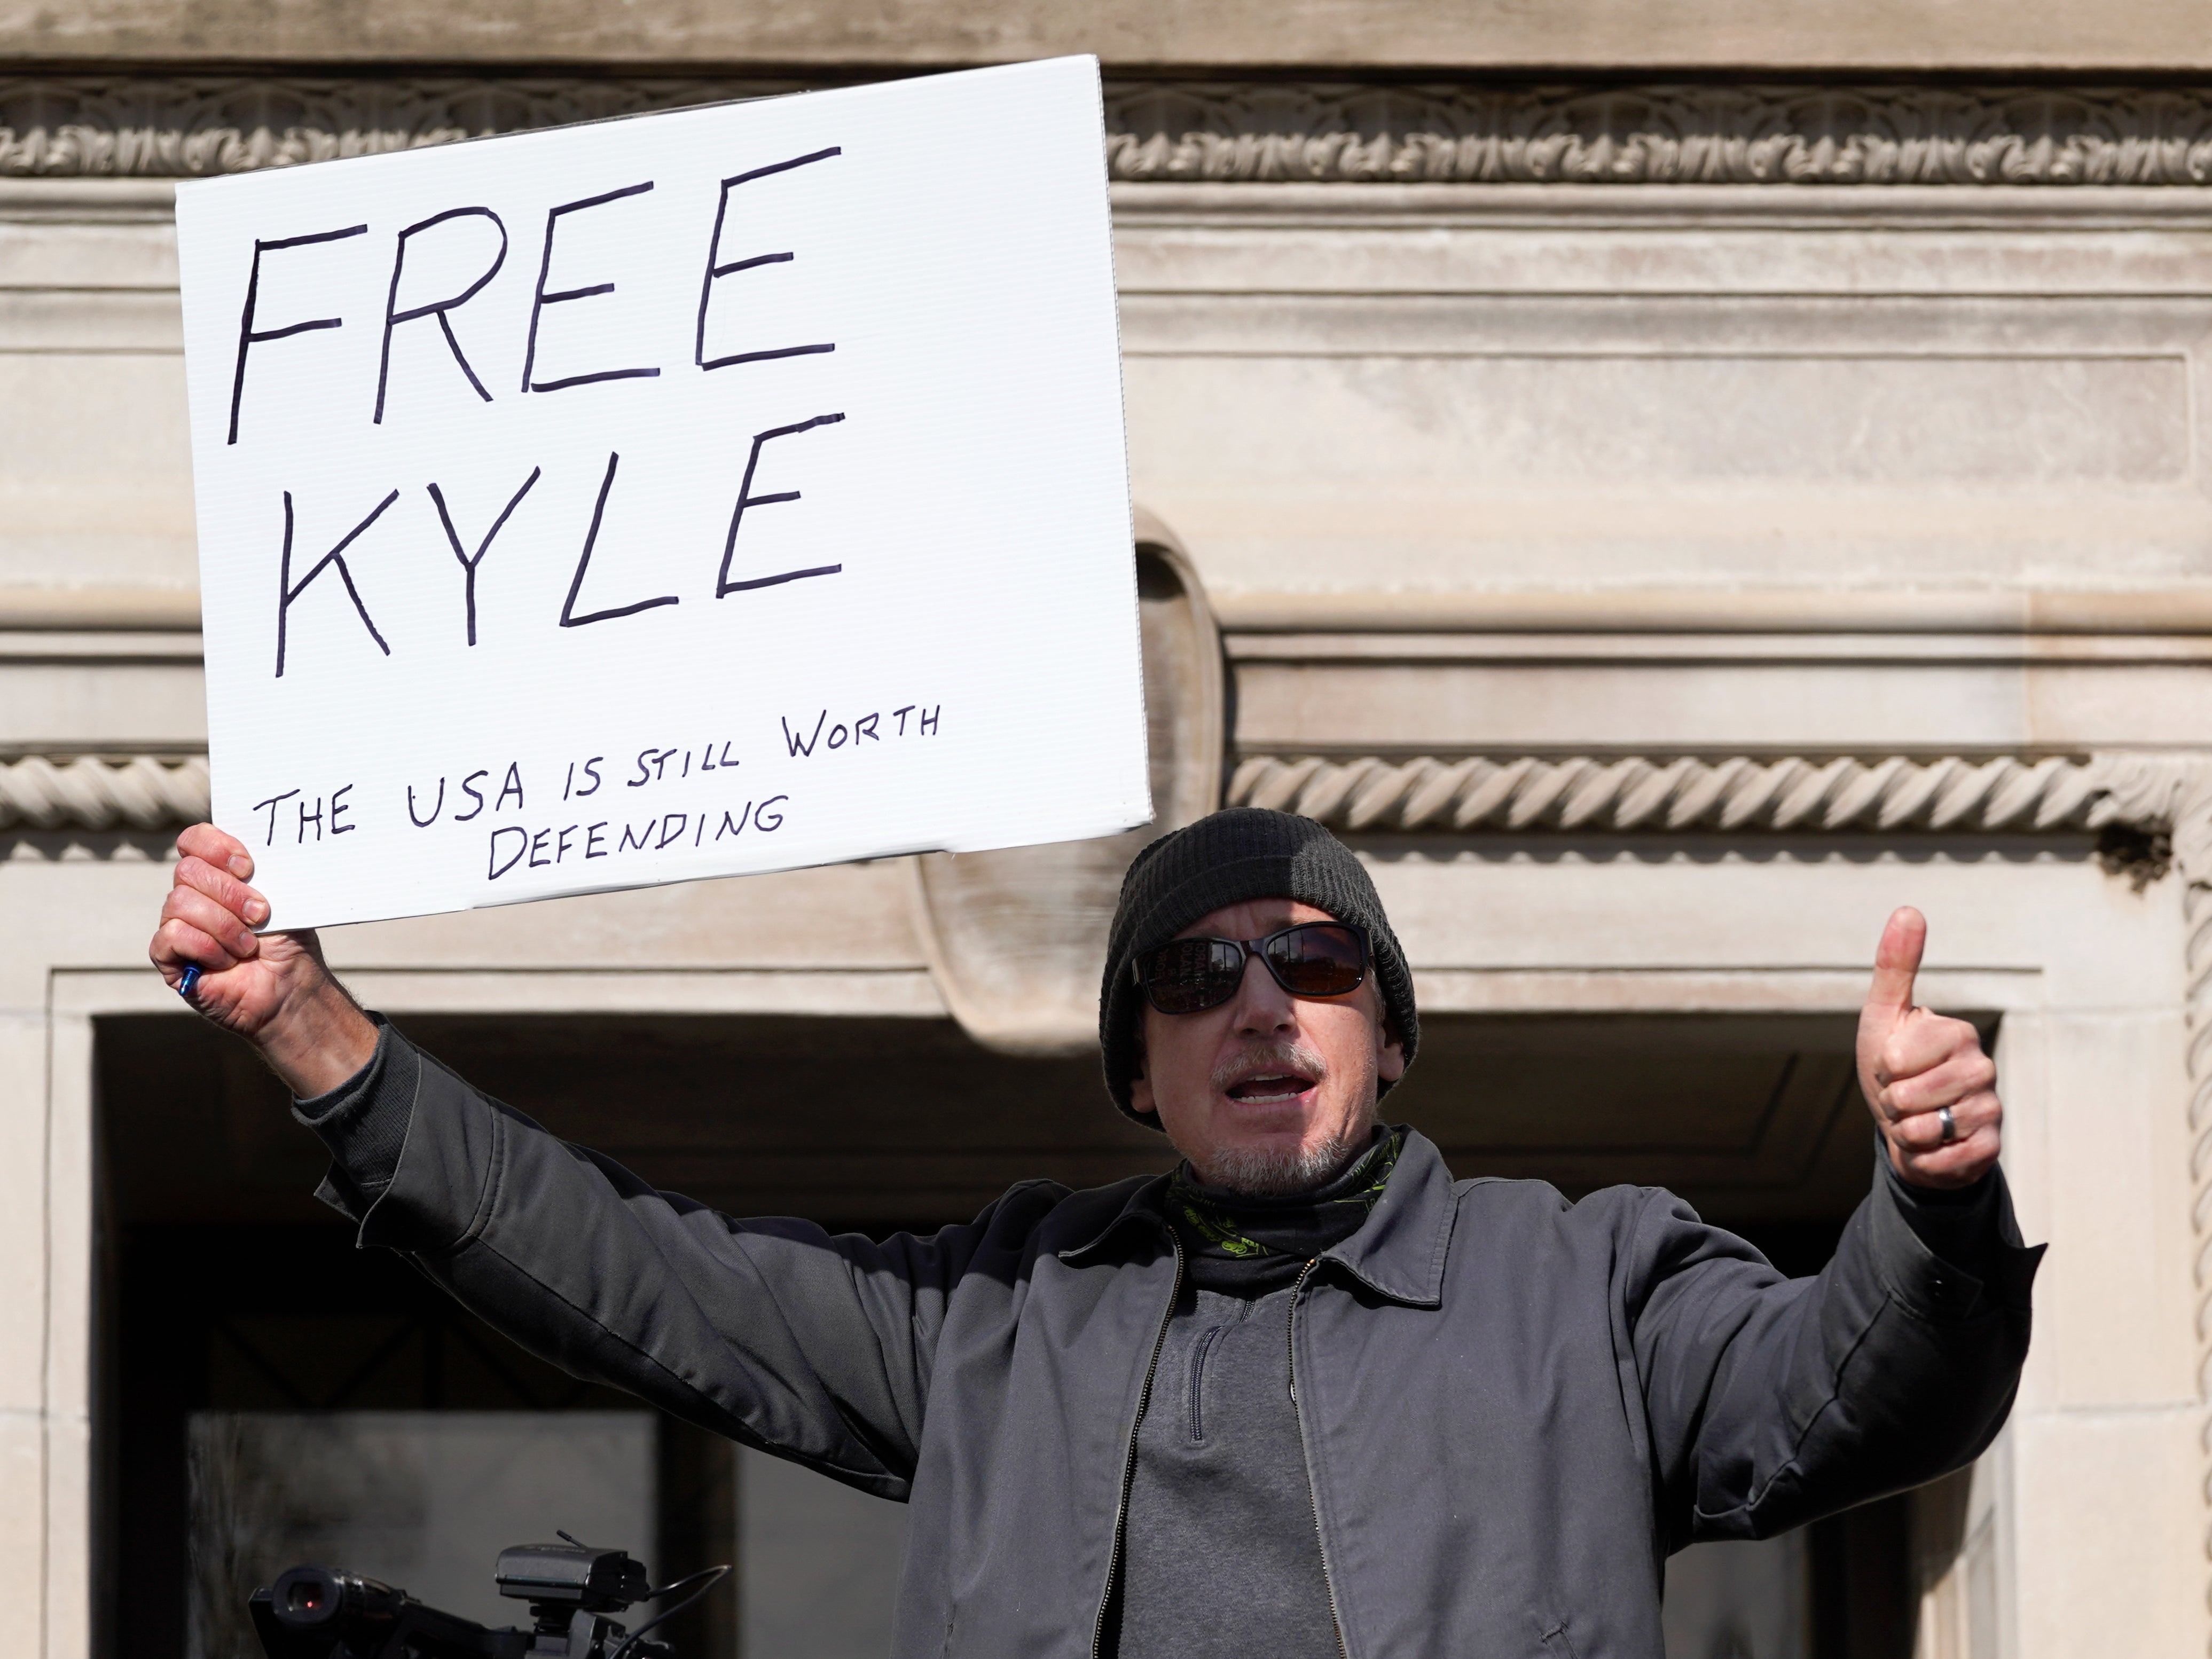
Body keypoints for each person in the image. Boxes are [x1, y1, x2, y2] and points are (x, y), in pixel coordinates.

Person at [150, 806, 2037, 1659]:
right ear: (1140, 1056)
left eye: (1310, 963)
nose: (1258, 1006)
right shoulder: (1001, 1312)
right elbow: (642, 1277)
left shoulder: (1588, 1287)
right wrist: (320, 1035)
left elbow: (1855, 1390)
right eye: (1197, 974)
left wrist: (1932, 1196)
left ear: (1387, 1028)